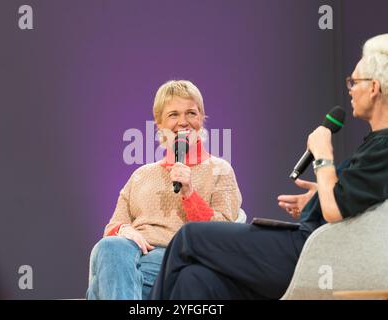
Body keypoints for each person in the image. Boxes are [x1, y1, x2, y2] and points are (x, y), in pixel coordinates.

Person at [149, 34, 388, 300]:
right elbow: (348, 202)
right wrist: (316, 197)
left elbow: (334, 212)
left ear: (375, 88)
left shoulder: (384, 147)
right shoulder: (375, 145)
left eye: (355, 82)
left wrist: (323, 155)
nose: (350, 89)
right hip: (309, 245)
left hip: (311, 253)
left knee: (189, 237)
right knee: (195, 279)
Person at [86, 80, 242, 300]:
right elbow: (113, 226)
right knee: (110, 247)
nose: (183, 122)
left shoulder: (220, 170)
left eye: (191, 113)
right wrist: (123, 230)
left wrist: (189, 193)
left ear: (201, 118)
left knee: (102, 283)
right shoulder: (141, 174)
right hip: (131, 254)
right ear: (159, 124)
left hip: (178, 258)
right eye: (173, 115)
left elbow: (222, 236)